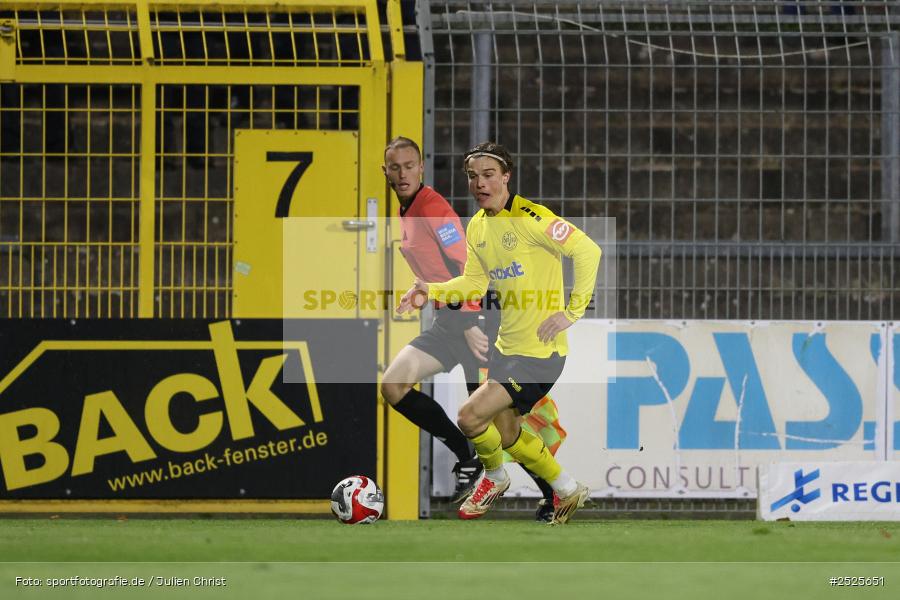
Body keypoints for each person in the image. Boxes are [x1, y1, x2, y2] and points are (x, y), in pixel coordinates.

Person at [398, 141, 601, 525]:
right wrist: (431, 290)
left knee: (470, 416)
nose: (480, 183)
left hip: (540, 354)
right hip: (508, 348)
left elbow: (588, 250)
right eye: (473, 176)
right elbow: (473, 284)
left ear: (506, 177)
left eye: (489, 175)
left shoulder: (531, 217)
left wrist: (572, 311)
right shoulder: (477, 226)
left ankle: (493, 477)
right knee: (506, 433)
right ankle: (567, 488)